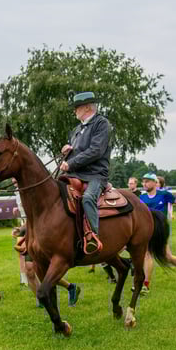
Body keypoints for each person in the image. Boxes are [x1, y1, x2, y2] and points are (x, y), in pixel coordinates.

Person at [59, 91, 112, 254]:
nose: (74, 111)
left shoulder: (102, 124)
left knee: (88, 198)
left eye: (77, 107)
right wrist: (66, 151)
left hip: (96, 175)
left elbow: (95, 151)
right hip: (76, 174)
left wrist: (71, 163)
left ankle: (92, 237)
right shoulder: (76, 130)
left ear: (87, 107)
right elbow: (77, 151)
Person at [140, 172, 176, 291]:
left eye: (147, 181)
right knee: (147, 254)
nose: (144, 183)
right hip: (147, 229)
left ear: (155, 183)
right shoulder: (142, 197)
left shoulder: (164, 194)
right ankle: (146, 285)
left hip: (161, 229)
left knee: (167, 257)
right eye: (143, 181)